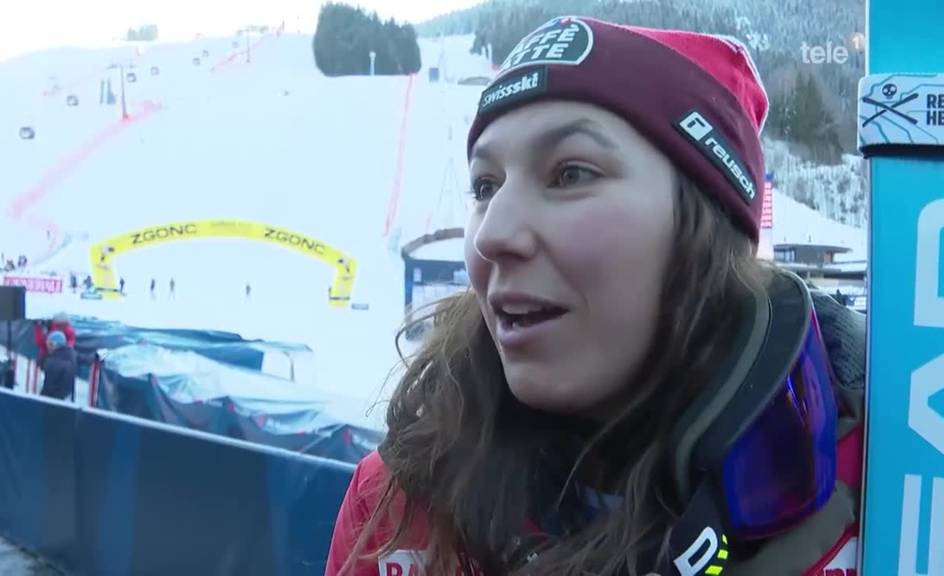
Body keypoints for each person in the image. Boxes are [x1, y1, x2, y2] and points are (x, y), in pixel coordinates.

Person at [325, 17, 865, 576]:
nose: (492, 234)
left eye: (571, 174)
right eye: (486, 185)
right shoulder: (398, 505)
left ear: (706, 230)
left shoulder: (884, 475)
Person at [40, 331, 76, 400]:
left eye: (49, 344)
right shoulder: (71, 356)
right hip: (65, 398)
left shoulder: (53, 362)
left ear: (54, 345)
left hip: (52, 400)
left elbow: (48, 387)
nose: (48, 347)